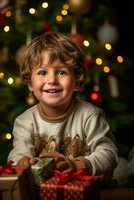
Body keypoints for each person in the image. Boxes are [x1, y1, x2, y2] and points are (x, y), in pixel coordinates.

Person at [7, 31, 118, 178]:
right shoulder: (24, 122)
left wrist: (78, 165)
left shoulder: (90, 115)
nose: (52, 80)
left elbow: (109, 154)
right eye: (42, 72)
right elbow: (16, 157)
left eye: (61, 72)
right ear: (30, 83)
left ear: (77, 82)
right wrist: (23, 162)